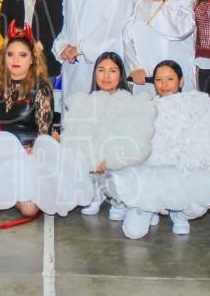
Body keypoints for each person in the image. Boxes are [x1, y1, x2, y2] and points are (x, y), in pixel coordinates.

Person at [104, 60, 210, 239]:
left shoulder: (197, 106)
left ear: (181, 81)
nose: (164, 85)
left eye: (170, 79)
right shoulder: (145, 108)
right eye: (159, 80)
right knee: (133, 232)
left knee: (200, 202)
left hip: (183, 178)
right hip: (150, 183)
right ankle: (147, 208)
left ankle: (179, 214)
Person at [0, 25, 92, 218]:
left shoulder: (41, 88)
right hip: (0, 152)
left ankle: (12, 190)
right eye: (10, 55)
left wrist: (35, 148)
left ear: (32, 59)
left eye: (22, 55)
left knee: (29, 209)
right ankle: (3, 187)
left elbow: (44, 131)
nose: (15, 60)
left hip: (28, 153)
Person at [62, 52, 154, 220]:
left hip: (122, 166)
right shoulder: (83, 102)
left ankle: (119, 200)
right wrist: (92, 160)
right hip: (94, 169)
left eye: (112, 71)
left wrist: (111, 161)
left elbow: (137, 144)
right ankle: (95, 194)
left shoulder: (132, 103)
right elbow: (74, 138)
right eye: (101, 70)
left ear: (121, 75)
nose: (106, 76)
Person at [53, 0, 141, 108]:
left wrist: (80, 48)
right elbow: (65, 22)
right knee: (73, 109)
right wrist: (63, 47)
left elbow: (111, 26)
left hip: (100, 61)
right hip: (73, 63)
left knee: (99, 110)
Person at [130, 0, 196, 96]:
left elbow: (179, 32)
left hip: (177, 76)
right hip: (145, 75)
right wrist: (134, 67)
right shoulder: (140, 4)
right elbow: (128, 40)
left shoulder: (184, 3)